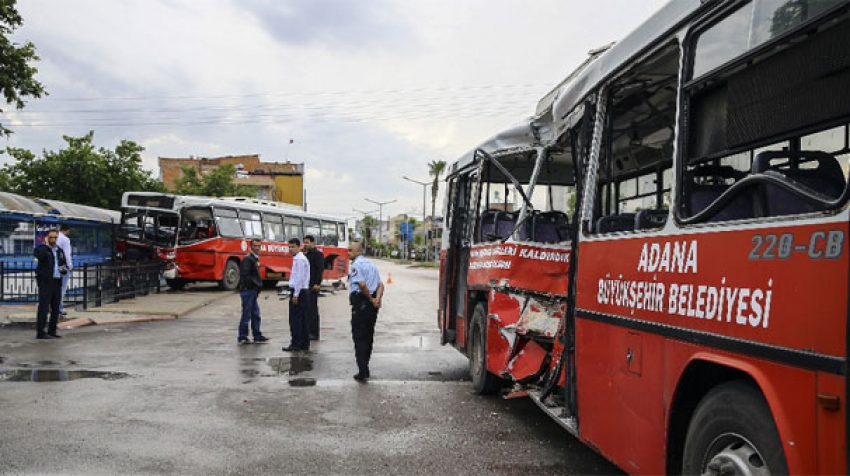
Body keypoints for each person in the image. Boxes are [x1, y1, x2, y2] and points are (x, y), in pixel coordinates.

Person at [347, 240, 384, 381]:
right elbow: (380, 285)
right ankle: (365, 367)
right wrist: (377, 299)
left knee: (359, 336)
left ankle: (363, 371)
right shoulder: (371, 264)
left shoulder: (356, 265)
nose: (348, 253)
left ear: (359, 251)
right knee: (369, 336)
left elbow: (362, 285)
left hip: (362, 303)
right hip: (372, 305)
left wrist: (370, 299)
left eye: (351, 250)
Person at [33, 229, 68, 339]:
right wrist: (46, 245)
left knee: (55, 307)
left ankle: (52, 330)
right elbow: (39, 256)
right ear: (47, 238)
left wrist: (64, 270)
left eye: (55, 237)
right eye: (51, 237)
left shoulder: (59, 250)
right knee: (44, 307)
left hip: (57, 281)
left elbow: (63, 263)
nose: (53, 239)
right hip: (46, 282)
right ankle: (41, 331)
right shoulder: (42, 249)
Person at [282, 238, 311, 352]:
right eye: (289, 247)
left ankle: (296, 343)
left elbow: (299, 278)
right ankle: (304, 343)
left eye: (293, 247)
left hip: (299, 291)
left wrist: (296, 294)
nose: (291, 249)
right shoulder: (300, 258)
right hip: (303, 291)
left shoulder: (299, 259)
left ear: (299, 247)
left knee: (295, 319)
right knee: (303, 318)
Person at [238, 238, 268, 345]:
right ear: (251, 247)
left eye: (259, 246)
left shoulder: (254, 258)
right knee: (247, 315)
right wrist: (257, 285)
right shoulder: (248, 259)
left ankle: (257, 335)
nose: (257, 248)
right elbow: (246, 276)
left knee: (255, 314)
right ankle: (243, 337)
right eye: (255, 246)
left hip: (252, 291)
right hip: (248, 290)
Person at [302, 235, 324, 341]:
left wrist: (317, 283)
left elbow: (320, 270)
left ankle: (314, 333)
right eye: (304, 243)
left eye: (307, 242)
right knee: (306, 309)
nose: (305, 245)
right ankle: (308, 330)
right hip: (306, 285)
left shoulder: (317, 254)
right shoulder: (306, 255)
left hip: (313, 285)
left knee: (312, 309)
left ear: (312, 243)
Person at [56, 224, 73, 316]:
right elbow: (67, 254)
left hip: (53, 266)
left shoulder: (54, 237)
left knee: (54, 287)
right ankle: (59, 307)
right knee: (62, 288)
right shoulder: (65, 239)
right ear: (66, 230)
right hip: (63, 267)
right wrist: (70, 266)